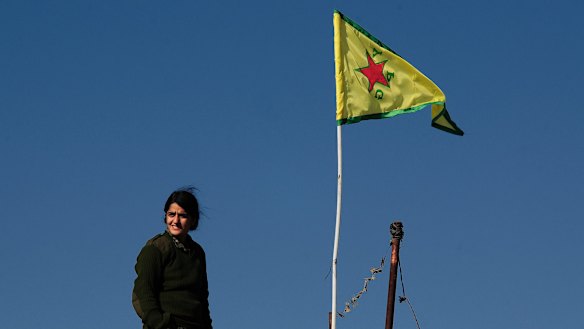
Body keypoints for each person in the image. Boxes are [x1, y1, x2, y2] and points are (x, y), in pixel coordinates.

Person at [132, 188, 212, 329]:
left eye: (182, 215)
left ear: (193, 219)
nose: (175, 221)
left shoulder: (197, 253)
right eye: (171, 214)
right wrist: (161, 323)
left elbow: (202, 299)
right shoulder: (156, 249)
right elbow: (143, 293)